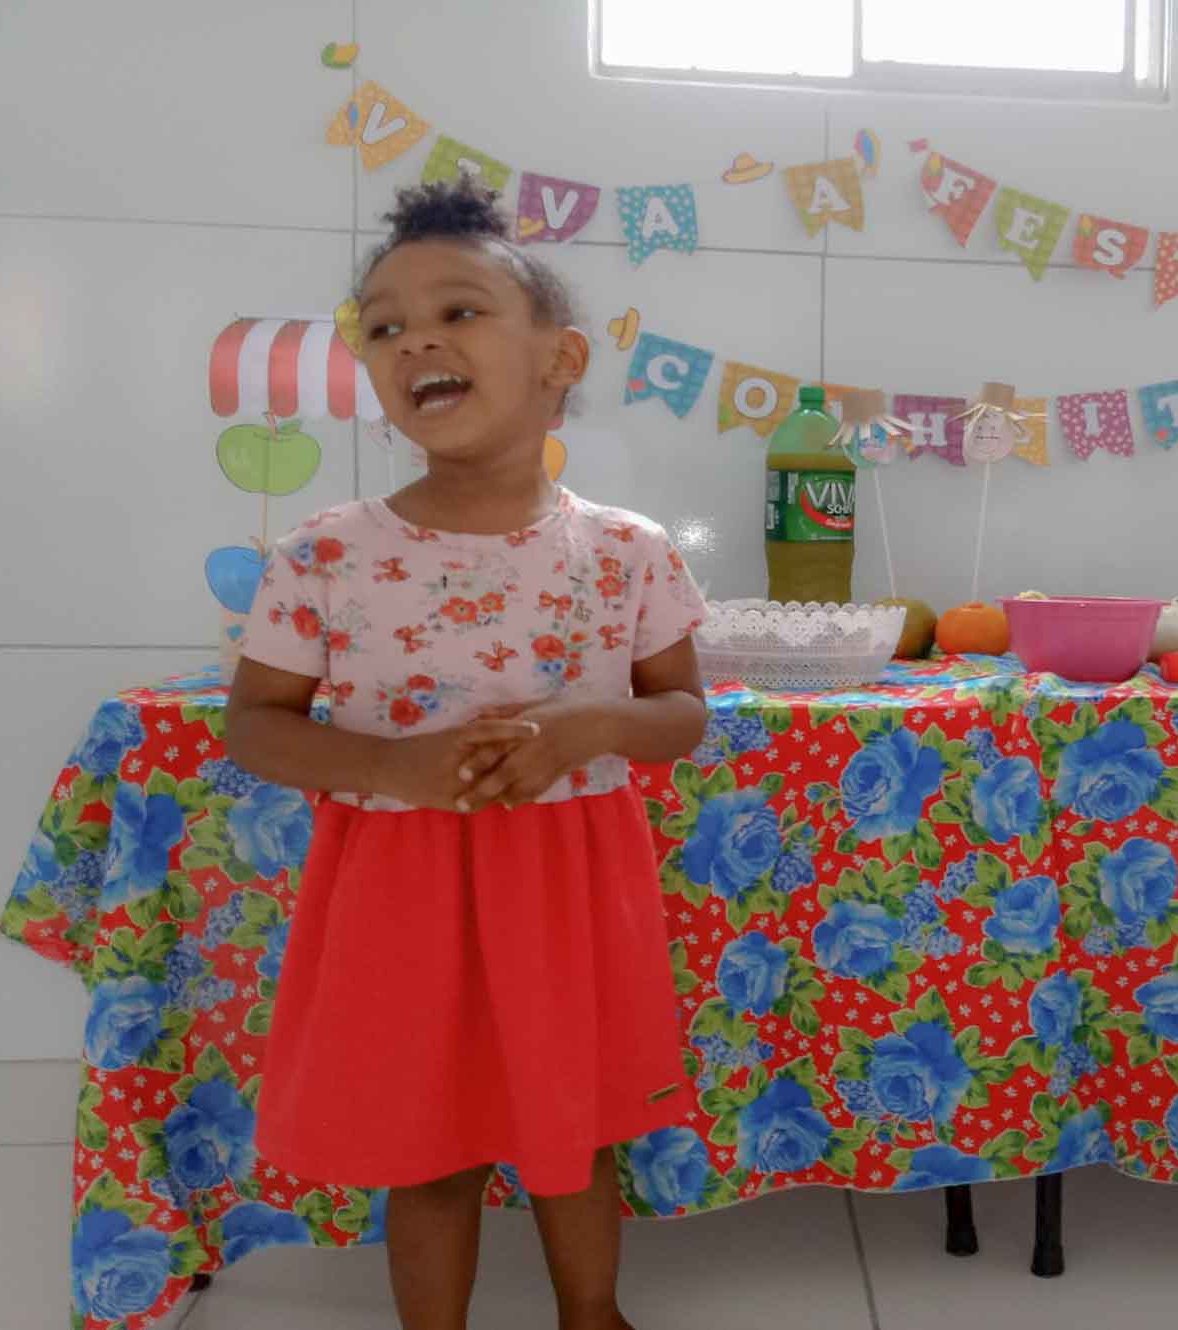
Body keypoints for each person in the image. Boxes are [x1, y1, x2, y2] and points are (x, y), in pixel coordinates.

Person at [225, 178, 708, 1330]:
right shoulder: (325, 553)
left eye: (459, 310)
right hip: (401, 891)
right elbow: (255, 724)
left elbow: (682, 714)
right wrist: (392, 768)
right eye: (385, 327)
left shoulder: (627, 552)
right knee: (427, 1145)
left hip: (565, 886)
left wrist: (583, 731)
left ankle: (591, 1311)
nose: (417, 341)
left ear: (560, 359)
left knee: (572, 1130)